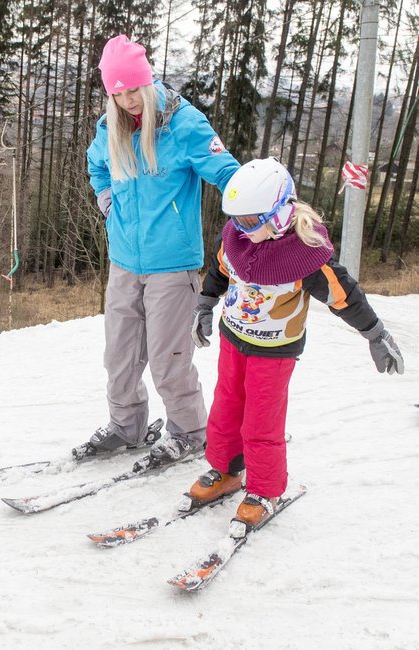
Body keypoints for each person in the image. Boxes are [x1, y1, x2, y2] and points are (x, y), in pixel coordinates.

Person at [184, 158, 405, 537]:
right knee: (225, 406)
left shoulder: (304, 253)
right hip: (233, 337)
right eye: (235, 219)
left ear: (281, 211)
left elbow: (344, 296)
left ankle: (265, 490)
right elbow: (220, 270)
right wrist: (205, 303)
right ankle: (226, 468)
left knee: (261, 420)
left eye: (251, 221)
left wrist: (375, 333)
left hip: (274, 350)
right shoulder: (237, 237)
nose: (241, 228)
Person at [84, 35, 241, 468]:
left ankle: (190, 431)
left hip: (172, 265)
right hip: (123, 262)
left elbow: (227, 173)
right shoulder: (109, 126)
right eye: (117, 93)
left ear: (148, 79)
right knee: (119, 354)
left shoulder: (184, 124)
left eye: (133, 89)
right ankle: (126, 427)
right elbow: (96, 164)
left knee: (168, 358)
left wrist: (260, 207)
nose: (128, 100)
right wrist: (104, 198)